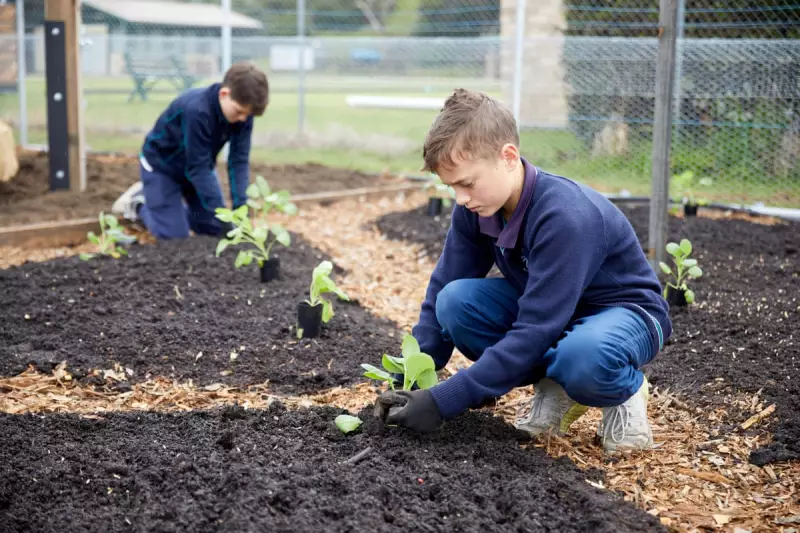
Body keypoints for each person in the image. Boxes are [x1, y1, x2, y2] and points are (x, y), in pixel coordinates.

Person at [374, 89, 672, 453]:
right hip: (552, 312)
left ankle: (624, 391)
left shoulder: (564, 215)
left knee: (585, 357)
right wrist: (413, 376)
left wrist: (445, 401)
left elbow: (534, 329)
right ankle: (555, 385)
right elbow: (444, 283)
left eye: (467, 183)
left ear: (509, 157)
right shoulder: (477, 208)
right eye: (451, 187)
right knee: (455, 303)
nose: (461, 198)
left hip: (622, 314)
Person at [111, 62, 269, 240]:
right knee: (175, 237)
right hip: (162, 168)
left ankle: (169, 210)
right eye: (239, 112)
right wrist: (223, 215)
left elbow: (238, 162)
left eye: (248, 115)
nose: (243, 119)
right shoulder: (197, 110)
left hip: (196, 168)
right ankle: (139, 203)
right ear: (224, 94)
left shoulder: (244, 114)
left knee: (214, 229)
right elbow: (198, 168)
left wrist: (241, 213)